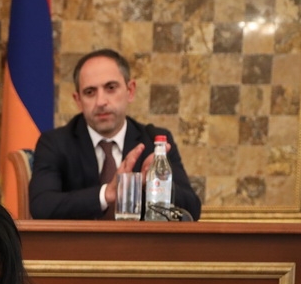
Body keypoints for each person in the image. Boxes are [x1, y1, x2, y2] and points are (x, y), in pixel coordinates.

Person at [29, 48, 201, 221]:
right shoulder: (55, 143)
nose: (101, 102)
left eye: (111, 88)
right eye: (90, 92)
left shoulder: (154, 141)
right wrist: (107, 194)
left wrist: (154, 183)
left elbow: (192, 209)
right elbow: (41, 206)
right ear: (78, 100)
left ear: (130, 91)